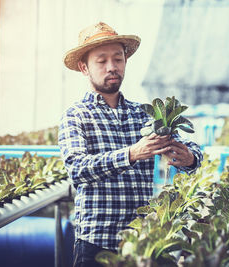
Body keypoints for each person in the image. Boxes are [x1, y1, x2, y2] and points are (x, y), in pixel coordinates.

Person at [59, 22, 203, 267]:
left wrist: (190, 157)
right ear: (84, 68)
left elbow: (192, 149)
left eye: (118, 59)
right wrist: (131, 154)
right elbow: (77, 169)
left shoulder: (144, 114)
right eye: (101, 61)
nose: (112, 67)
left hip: (148, 242)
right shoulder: (76, 115)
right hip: (98, 244)